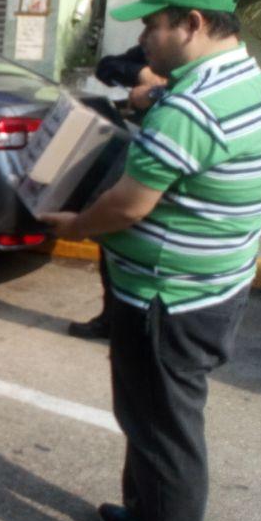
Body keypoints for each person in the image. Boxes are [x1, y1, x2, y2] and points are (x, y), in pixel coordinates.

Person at [41, 0, 261, 521]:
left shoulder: (195, 105)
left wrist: (75, 223)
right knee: (152, 420)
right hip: (210, 284)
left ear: (193, 23)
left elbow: (126, 205)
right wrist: (152, 96)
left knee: (164, 431)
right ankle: (148, 518)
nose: (143, 38)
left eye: (153, 25)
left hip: (166, 299)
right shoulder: (237, 76)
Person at [67, 46, 169, 341]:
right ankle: (111, 317)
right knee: (112, 242)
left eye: (153, 28)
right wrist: (142, 73)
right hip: (133, 150)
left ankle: (145, 324)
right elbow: (107, 67)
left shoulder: (198, 71)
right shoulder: (150, 54)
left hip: (167, 158)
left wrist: (152, 94)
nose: (146, 37)